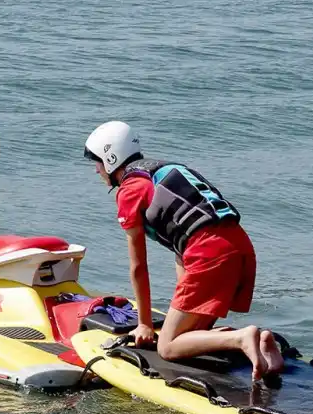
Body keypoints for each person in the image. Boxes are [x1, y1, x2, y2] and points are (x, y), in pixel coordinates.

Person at [83, 121, 283, 381]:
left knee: (167, 347)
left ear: (111, 158)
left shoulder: (130, 191)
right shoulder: (168, 169)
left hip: (209, 255)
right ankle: (264, 344)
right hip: (239, 247)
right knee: (186, 338)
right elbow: (183, 247)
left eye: (97, 162)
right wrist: (181, 308)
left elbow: (138, 266)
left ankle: (243, 337)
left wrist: (144, 323)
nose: (97, 170)